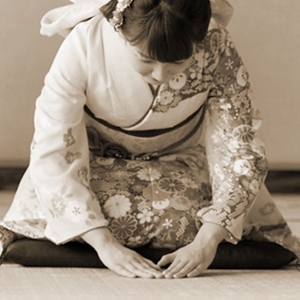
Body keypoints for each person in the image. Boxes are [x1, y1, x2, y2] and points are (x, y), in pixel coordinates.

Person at [1, 0, 299, 278]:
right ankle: (92, 235)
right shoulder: (84, 44)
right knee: (56, 200)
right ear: (119, 27)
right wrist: (104, 244)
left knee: (222, 213)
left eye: (178, 62)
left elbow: (239, 142)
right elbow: (54, 145)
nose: (161, 74)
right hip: (94, 166)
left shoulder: (216, 45)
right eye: (146, 60)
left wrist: (208, 240)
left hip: (180, 164)